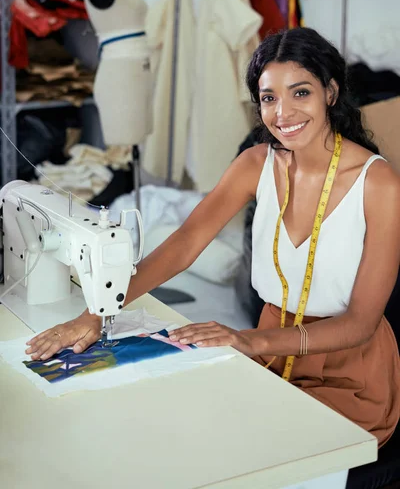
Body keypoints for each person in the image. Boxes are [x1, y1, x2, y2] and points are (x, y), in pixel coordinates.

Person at [26, 28, 400, 447]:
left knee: (253, 453)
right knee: (178, 431)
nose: (283, 113)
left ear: (330, 92)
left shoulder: (377, 182)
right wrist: (95, 314)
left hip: (347, 371)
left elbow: (361, 323)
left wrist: (248, 340)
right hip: (272, 355)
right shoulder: (255, 163)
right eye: (269, 98)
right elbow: (185, 245)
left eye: (300, 93)